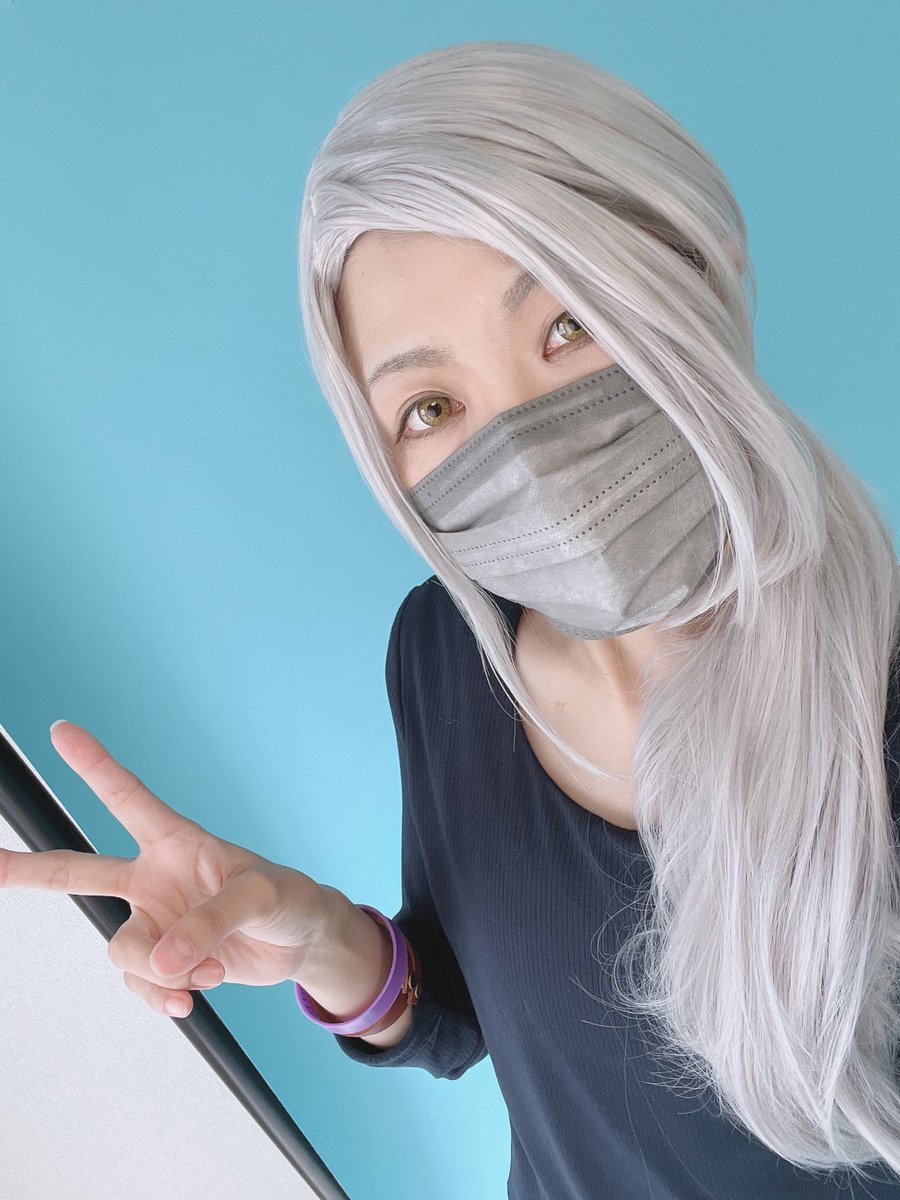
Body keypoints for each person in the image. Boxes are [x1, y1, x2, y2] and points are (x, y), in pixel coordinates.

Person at [3, 39, 899, 1200]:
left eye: (567, 326)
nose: (527, 446)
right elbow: (471, 1016)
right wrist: (328, 940)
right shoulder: (443, 655)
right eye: (431, 406)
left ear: (692, 269)